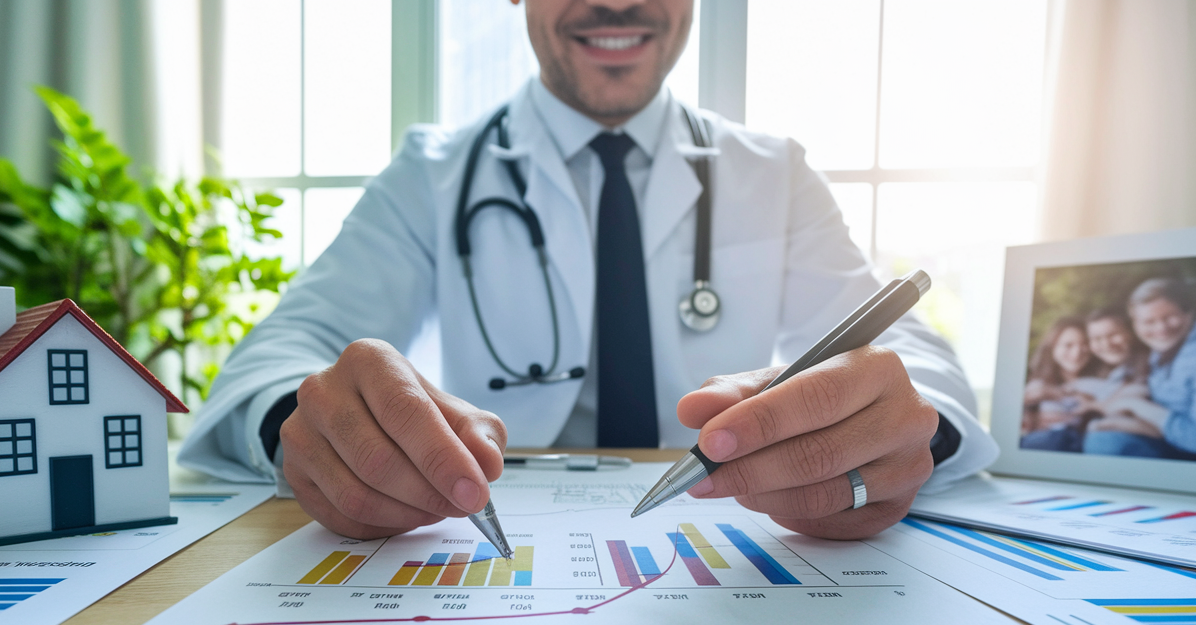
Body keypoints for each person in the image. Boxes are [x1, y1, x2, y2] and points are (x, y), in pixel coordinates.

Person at [179, 0, 998, 541]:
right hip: (497, 535)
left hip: (719, 532)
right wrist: (315, 427)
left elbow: (913, 360)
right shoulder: (434, 173)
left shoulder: (773, 171)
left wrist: (900, 430)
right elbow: (278, 357)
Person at [1084, 278, 1196, 460]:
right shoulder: (1161, 351)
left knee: (1106, 442)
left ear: (1188, 313)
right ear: (1135, 325)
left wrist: (1136, 405)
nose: (1161, 328)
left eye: (1169, 317)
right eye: (1149, 322)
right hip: (1168, 441)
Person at [1019, 317, 1104, 452]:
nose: (1077, 352)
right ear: (1052, 347)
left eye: (1084, 344)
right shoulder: (1036, 384)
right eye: (1068, 345)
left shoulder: (1100, 382)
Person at [1081, 308, 1160, 441]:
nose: (1106, 344)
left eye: (1113, 335)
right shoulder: (1105, 372)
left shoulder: (1151, 364)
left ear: (1131, 332)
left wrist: (1095, 408)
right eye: (1097, 338)